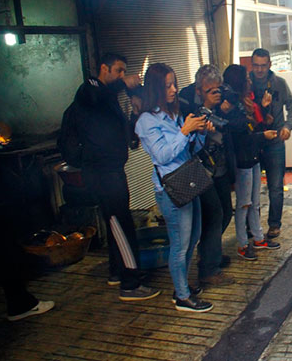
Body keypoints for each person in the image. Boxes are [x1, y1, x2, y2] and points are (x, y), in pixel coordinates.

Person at [73, 53, 160, 301]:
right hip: (101, 172)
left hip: (112, 169)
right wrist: (125, 84)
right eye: (119, 71)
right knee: (121, 223)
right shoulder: (90, 89)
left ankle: (116, 272)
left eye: (124, 72)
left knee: (115, 224)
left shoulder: (109, 101)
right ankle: (131, 284)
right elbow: (95, 95)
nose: (123, 75)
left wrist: (135, 114)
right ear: (104, 68)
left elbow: (127, 137)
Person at [135, 63, 213, 313]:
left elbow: (192, 150)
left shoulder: (175, 114)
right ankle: (182, 297)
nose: (174, 89)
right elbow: (163, 155)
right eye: (167, 85)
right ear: (155, 89)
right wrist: (184, 131)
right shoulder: (146, 122)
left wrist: (200, 132)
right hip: (171, 189)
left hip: (189, 180)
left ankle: (182, 287)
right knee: (179, 244)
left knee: (192, 238)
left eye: (174, 84)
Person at [179, 65, 235, 287]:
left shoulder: (224, 96)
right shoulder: (184, 100)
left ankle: (209, 251)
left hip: (219, 165)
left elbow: (232, 126)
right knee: (213, 214)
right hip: (197, 167)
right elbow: (189, 133)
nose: (215, 92)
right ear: (198, 88)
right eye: (209, 89)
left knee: (226, 213)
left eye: (217, 88)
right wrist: (207, 107)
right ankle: (208, 270)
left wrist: (224, 109)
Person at [222, 64, 281, 260]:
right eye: (246, 78)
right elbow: (243, 138)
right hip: (242, 161)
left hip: (253, 157)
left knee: (255, 202)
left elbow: (254, 129)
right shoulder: (231, 108)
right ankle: (243, 243)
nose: (249, 81)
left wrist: (263, 112)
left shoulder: (245, 103)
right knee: (244, 204)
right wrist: (262, 135)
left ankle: (258, 238)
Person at [249, 48, 292, 239]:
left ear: (270, 65)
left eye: (263, 65)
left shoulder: (279, 83)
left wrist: (288, 126)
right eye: (256, 66)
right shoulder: (247, 84)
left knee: (275, 186)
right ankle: (252, 227)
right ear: (251, 65)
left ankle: (274, 225)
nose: (260, 70)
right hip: (253, 141)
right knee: (251, 190)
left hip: (276, 142)